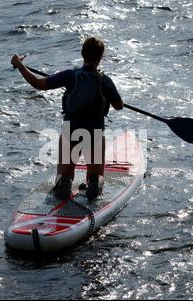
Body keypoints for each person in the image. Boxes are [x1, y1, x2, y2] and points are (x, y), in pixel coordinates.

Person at [11, 37, 124, 201]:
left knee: (64, 173)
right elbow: (119, 106)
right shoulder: (105, 80)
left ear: (82, 54)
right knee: (97, 174)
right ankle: (94, 183)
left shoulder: (70, 76)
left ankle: (64, 181)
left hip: (71, 131)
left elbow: (37, 83)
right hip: (95, 132)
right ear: (100, 57)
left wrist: (20, 64)